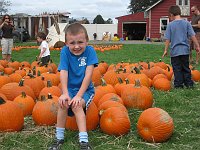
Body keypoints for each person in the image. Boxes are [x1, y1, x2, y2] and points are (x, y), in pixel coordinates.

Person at [48, 23, 98, 150]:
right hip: (69, 89)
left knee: (76, 105)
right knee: (63, 104)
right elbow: (63, 72)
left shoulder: (90, 51)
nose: (76, 46)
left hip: (85, 90)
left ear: (87, 41)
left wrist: (79, 96)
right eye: (72, 43)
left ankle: (84, 141)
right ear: (66, 43)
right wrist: (65, 93)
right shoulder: (65, 52)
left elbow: (88, 75)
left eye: (80, 42)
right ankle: (59, 138)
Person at [162, 5, 200, 88]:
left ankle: (178, 85)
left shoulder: (170, 25)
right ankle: (189, 84)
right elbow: (193, 36)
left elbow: (167, 39)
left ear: (171, 14)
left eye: (169, 15)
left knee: (177, 69)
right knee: (186, 68)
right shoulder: (187, 23)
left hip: (175, 51)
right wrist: (197, 46)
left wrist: (165, 50)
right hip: (185, 51)